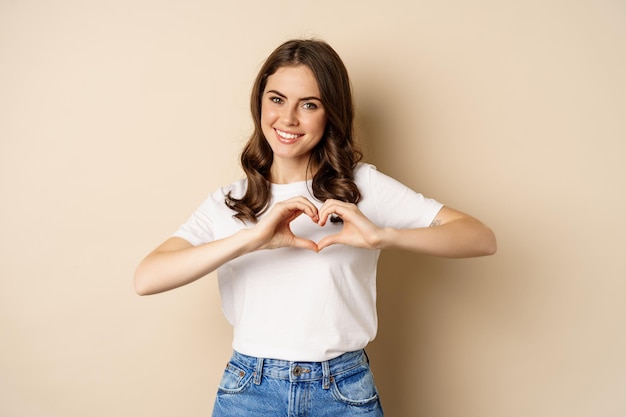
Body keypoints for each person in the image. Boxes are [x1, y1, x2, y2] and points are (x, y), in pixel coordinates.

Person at [134, 38, 496, 417]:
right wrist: (252, 239)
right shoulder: (230, 201)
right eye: (276, 99)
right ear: (259, 103)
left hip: (342, 390)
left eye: (309, 104)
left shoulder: (361, 187)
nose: (288, 119)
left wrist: (380, 236)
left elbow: (480, 237)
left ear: (331, 114)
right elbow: (147, 278)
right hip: (248, 391)